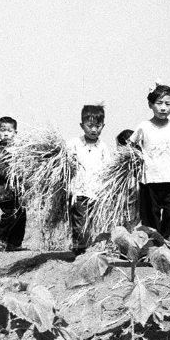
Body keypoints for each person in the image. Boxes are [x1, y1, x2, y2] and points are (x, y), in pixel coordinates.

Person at [129, 83, 170, 240]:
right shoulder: (144, 127)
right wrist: (135, 165)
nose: (163, 108)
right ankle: (154, 246)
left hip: (169, 180)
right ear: (150, 104)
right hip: (149, 181)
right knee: (151, 218)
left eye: (167, 104)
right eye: (159, 103)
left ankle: (163, 240)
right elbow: (130, 146)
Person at [66, 104, 112, 255]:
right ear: (82, 126)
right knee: (80, 221)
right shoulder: (74, 144)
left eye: (97, 126)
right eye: (89, 126)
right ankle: (79, 249)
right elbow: (64, 161)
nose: (94, 130)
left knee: (90, 222)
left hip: (96, 193)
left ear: (103, 126)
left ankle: (85, 247)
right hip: (79, 191)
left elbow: (108, 169)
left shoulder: (103, 148)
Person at [0, 116, 26, 251]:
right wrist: (10, 172)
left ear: (15, 133)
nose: (6, 134)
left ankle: (15, 243)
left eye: (9, 131)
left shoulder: (20, 149)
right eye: (2, 130)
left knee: (21, 214)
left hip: (18, 189)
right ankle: (1, 236)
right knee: (10, 212)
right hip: (2, 189)